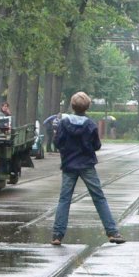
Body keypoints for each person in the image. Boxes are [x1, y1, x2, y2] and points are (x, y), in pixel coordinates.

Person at [51, 91, 125, 246]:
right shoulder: (90, 125)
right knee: (99, 198)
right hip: (87, 165)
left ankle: (57, 236)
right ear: (87, 107)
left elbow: (57, 143)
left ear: (72, 106)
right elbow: (96, 145)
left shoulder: (64, 123)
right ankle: (112, 232)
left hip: (69, 165)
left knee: (64, 199)